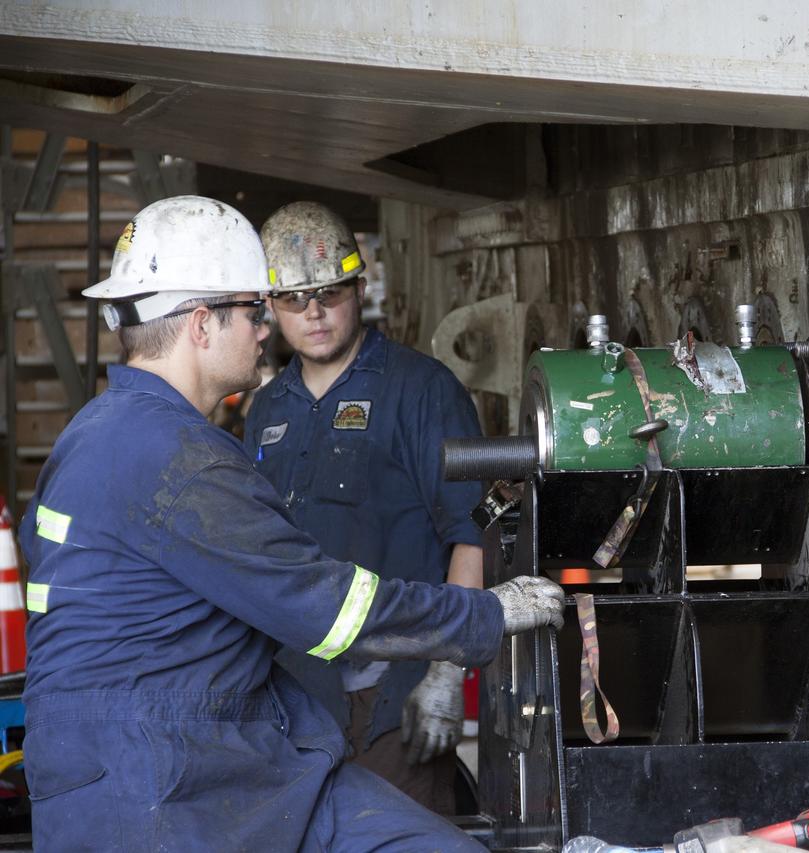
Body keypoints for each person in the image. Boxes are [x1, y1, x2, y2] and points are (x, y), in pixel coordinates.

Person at [19, 195, 565, 851]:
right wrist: (487, 615)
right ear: (199, 324)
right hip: (167, 774)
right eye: (256, 309)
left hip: (212, 743)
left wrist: (443, 671)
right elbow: (323, 606)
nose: (264, 327)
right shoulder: (183, 459)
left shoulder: (91, 436)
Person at [247, 201, 482, 813]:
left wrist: (446, 675)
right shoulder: (267, 411)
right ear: (269, 307)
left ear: (360, 284)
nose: (315, 312)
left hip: (396, 699)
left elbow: (472, 533)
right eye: (295, 299)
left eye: (329, 291)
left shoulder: (423, 390)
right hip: (298, 706)